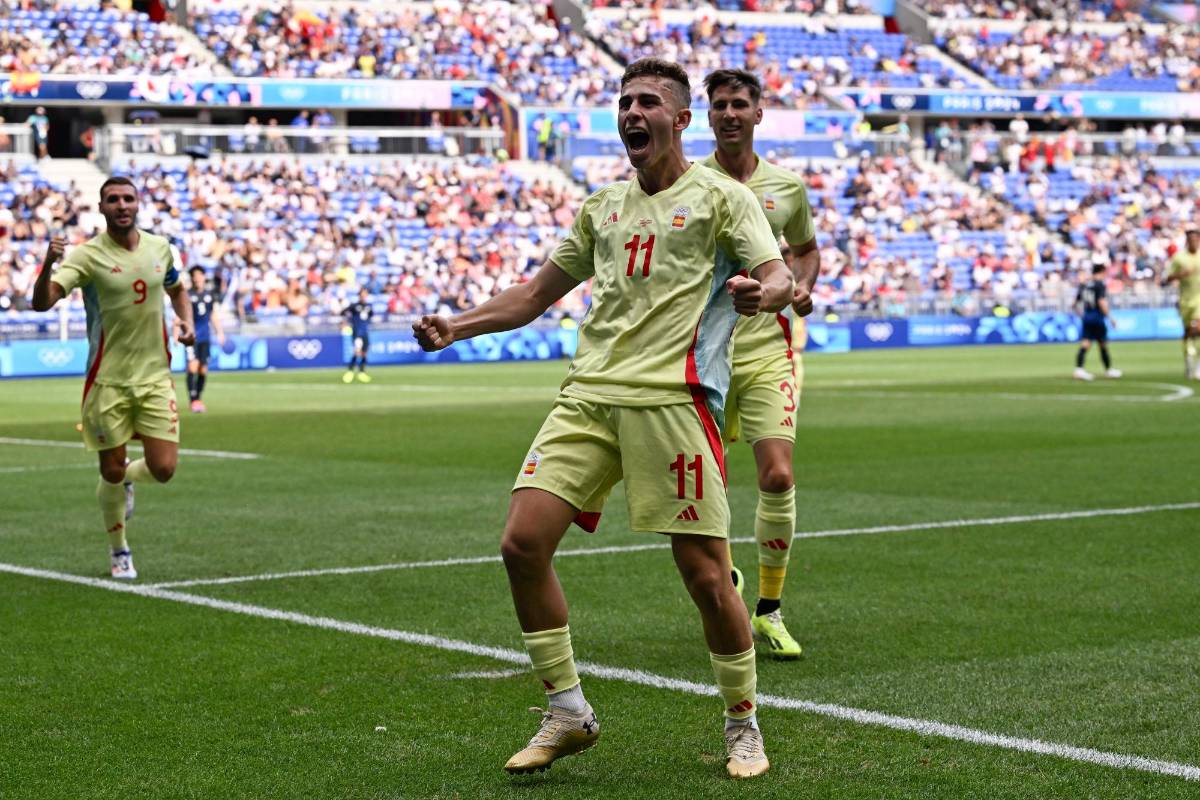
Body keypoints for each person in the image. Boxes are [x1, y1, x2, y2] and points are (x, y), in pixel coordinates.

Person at [414, 57, 792, 780]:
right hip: (588, 396)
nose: (632, 112)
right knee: (522, 544)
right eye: (624, 101)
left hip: (672, 402)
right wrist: (456, 327)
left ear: (682, 119)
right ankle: (567, 711)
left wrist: (763, 294)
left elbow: (774, 271)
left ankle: (742, 722)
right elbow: (532, 295)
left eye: (648, 101)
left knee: (708, 577)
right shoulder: (601, 207)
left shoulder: (721, 198)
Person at [699, 69, 819, 661]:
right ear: (708, 116)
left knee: (776, 476)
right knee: (706, 489)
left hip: (769, 347)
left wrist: (799, 286)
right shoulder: (690, 183)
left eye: (738, 104)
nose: (728, 113)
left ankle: (769, 609)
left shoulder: (786, 188)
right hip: (704, 353)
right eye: (718, 105)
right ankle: (727, 580)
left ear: (757, 113)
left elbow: (805, 251)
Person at [31, 176, 195, 579]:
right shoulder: (86, 257)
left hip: (156, 378)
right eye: (113, 200)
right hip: (107, 382)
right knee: (111, 471)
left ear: (138, 205)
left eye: (128, 198)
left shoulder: (161, 248)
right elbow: (42, 303)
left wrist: (187, 323)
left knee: (165, 469)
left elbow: (177, 290)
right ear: (102, 209)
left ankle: (128, 483)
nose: (121, 205)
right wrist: (47, 265)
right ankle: (119, 549)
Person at [186, 266, 225, 412]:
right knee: (192, 366)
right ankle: (193, 400)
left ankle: (198, 399)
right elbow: (181, 315)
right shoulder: (187, 295)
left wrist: (220, 332)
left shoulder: (209, 295)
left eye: (199, 275)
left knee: (203, 369)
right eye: (194, 275)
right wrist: (178, 332)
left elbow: (212, 315)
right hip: (191, 337)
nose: (197, 278)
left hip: (205, 337)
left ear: (203, 277)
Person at [1073, 263, 1120, 381]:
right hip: (1097, 317)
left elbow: (1074, 304)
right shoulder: (1099, 285)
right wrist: (1110, 318)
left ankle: (1079, 369)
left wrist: (1081, 315)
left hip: (1087, 316)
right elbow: (1101, 302)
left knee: (1085, 343)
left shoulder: (1084, 285)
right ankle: (1108, 370)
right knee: (1102, 343)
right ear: (1102, 271)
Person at [1164, 228, 1200, 380]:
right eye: (1190, 239)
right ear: (1187, 241)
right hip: (1185, 301)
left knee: (1197, 327)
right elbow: (1168, 278)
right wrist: (1181, 275)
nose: (1193, 242)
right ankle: (1188, 361)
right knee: (1188, 333)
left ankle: (1198, 366)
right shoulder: (1179, 258)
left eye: (1195, 239)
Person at [343, 286, 373, 383]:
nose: (364, 296)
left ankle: (362, 372)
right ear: (359, 295)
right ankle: (350, 372)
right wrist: (347, 322)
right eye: (362, 294)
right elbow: (343, 312)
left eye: (365, 294)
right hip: (357, 332)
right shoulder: (354, 306)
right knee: (357, 351)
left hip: (365, 332)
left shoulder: (369, 306)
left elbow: (371, 316)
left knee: (364, 353)